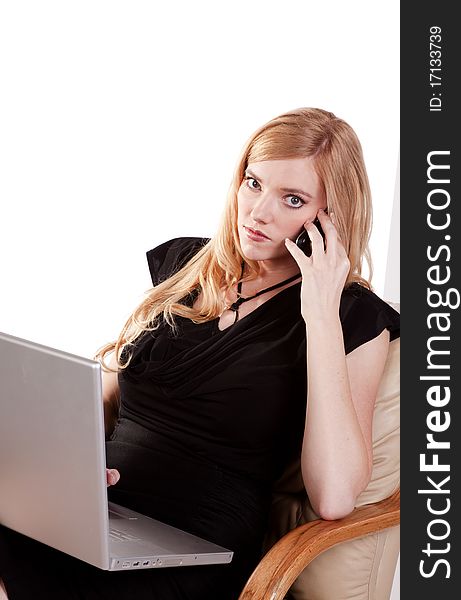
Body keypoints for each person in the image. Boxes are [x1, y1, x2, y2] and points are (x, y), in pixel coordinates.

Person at [0, 107, 400, 599]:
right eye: (253, 183)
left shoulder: (353, 317)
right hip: (101, 512)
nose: (258, 211)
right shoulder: (186, 265)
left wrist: (319, 312)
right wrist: (64, 462)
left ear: (331, 218)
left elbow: (335, 495)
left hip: (196, 543)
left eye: (292, 199)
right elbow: (102, 401)